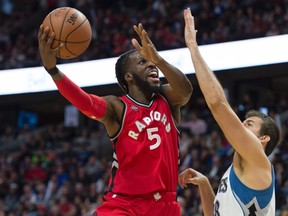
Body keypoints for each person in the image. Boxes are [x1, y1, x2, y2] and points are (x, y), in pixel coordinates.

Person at [38, 21, 193, 215]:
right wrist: (53, 71)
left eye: (151, 62)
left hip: (166, 205)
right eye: (143, 62)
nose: (151, 65)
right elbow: (86, 103)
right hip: (125, 204)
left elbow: (186, 91)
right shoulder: (118, 107)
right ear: (129, 76)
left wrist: (159, 59)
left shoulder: (166, 99)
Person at [178, 8, 280, 216]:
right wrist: (206, 185)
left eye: (250, 124)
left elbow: (217, 103)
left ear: (264, 138)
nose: (242, 124)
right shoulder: (237, 172)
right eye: (244, 122)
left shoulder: (258, 159)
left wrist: (193, 48)